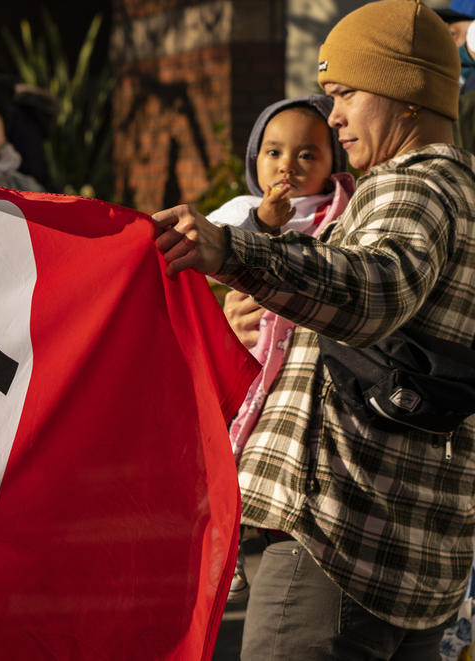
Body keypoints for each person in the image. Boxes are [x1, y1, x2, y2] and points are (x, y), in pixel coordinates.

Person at [151, 1, 475, 658]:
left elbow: (373, 287)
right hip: (412, 555)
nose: (333, 117)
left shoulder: (412, 186)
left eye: (345, 92)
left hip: (339, 543)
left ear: (405, 91)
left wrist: (231, 251)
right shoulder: (457, 191)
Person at [206, 94, 355, 604]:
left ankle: (246, 543)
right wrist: (265, 225)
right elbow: (215, 254)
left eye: (307, 154)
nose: (287, 165)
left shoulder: (345, 210)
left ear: (334, 162)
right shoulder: (245, 211)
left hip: (296, 364)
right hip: (250, 356)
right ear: (254, 160)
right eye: (273, 152)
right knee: (226, 454)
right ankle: (227, 559)